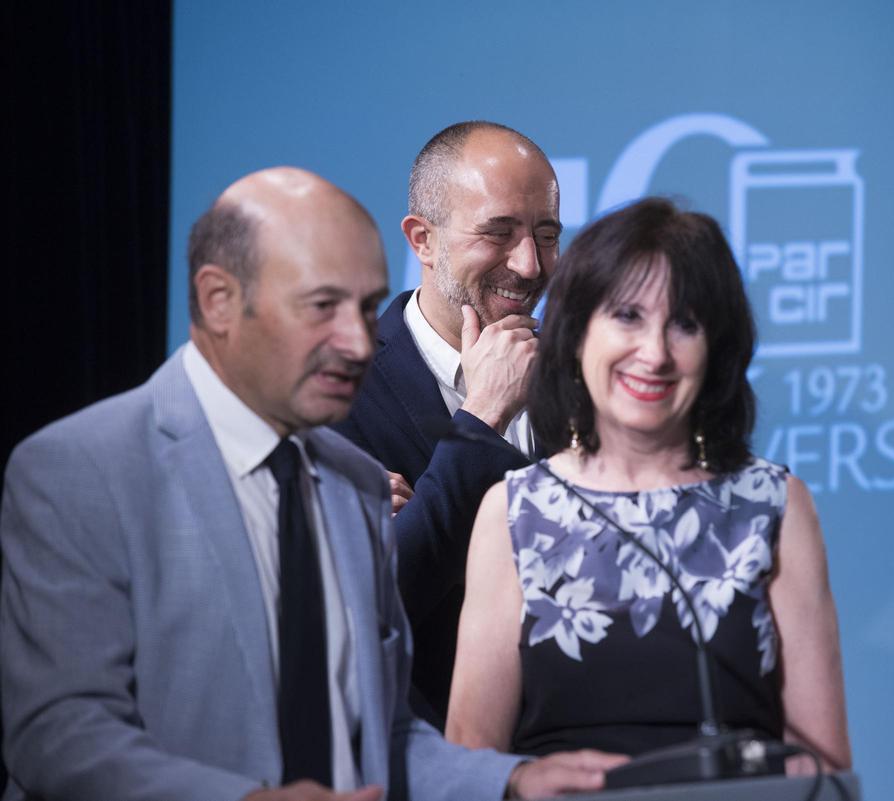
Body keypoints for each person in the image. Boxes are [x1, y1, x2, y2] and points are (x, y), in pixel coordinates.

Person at [0, 167, 623, 800]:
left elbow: (383, 734)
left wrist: (509, 779)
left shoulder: (349, 483)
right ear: (218, 301)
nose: (357, 341)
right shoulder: (78, 468)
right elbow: (59, 735)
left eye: (363, 306)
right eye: (322, 306)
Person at [444, 198, 853, 771]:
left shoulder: (773, 505)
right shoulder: (515, 511)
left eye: (685, 324)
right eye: (629, 317)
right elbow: (471, 766)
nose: (655, 354)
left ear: (716, 350)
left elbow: (821, 766)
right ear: (578, 333)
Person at [335, 121, 560, 728]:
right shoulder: (339, 394)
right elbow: (371, 609)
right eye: (499, 232)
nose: (530, 264)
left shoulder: (581, 378)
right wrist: (482, 419)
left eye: (546, 234)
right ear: (423, 239)